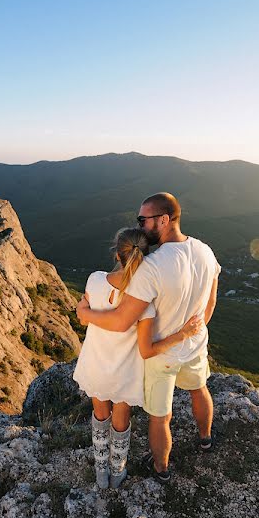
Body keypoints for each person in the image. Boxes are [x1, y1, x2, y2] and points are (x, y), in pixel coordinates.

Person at [77, 193, 220, 483]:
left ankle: (161, 468)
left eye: (143, 220)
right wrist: (195, 330)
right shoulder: (205, 250)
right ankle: (205, 439)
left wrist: (85, 313)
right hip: (194, 343)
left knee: (160, 417)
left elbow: (121, 320)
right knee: (199, 389)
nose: (140, 226)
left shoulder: (151, 267)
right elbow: (211, 301)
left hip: (160, 353)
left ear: (164, 219)